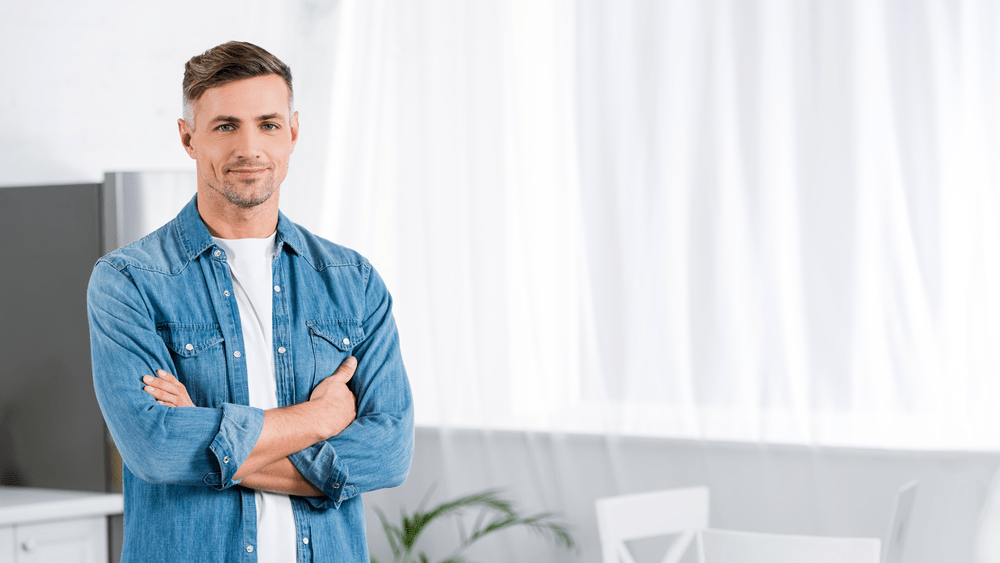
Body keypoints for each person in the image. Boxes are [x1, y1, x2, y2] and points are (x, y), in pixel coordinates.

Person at [87, 41, 414, 562]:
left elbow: (388, 454)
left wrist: (208, 427)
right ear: (188, 137)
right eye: (225, 126)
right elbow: (156, 447)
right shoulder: (129, 282)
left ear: (293, 132)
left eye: (267, 124)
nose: (249, 148)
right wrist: (321, 418)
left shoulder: (353, 281)